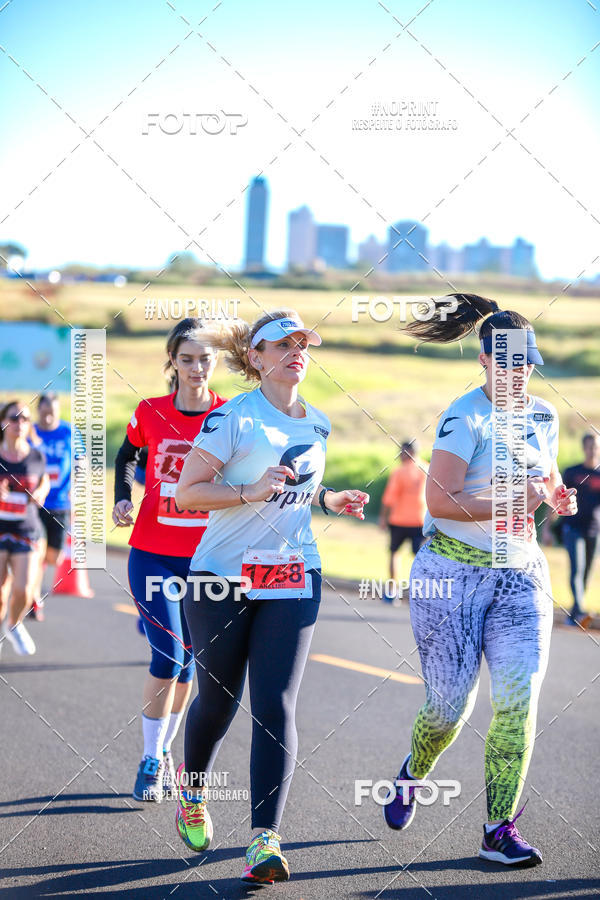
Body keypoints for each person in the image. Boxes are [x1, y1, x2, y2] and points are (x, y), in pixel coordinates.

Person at [381, 294, 577, 868]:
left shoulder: (544, 415)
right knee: (449, 708)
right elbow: (438, 502)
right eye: (510, 364)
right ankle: (413, 773)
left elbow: (546, 477)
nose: (521, 374)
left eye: (528, 363)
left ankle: (498, 829)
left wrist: (555, 496)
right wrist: (515, 499)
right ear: (486, 363)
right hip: (452, 573)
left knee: (517, 702)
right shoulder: (464, 416)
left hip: (520, 574)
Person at [173, 309, 369, 884]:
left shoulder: (319, 423)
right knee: (217, 700)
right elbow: (188, 494)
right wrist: (248, 490)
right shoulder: (233, 418)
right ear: (255, 358)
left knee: (275, 703)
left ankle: (264, 840)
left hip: (291, 572)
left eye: (302, 343)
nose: (295, 351)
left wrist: (328, 499)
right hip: (221, 577)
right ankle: (193, 790)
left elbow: (293, 489)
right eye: (281, 344)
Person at [111, 318, 227, 803]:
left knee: (189, 666)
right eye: (186, 359)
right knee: (170, 656)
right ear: (172, 363)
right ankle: (151, 759)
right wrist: (122, 496)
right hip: (154, 553)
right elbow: (126, 455)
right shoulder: (151, 411)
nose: (196, 368)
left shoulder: (230, 415)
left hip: (209, 559)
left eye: (204, 358)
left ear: (215, 362)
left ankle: (164, 749)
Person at [0, 401, 49, 656]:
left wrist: (41, 491)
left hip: (26, 529)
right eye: (14, 417)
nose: (20, 423)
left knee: (24, 588)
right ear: (3, 421)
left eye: (25, 418)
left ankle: (14, 624)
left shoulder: (36, 455)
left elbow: (44, 481)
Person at [29, 393, 74, 622]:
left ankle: (30, 583)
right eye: (44, 413)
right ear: (39, 412)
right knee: (35, 553)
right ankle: (33, 597)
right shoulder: (30, 433)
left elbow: (81, 462)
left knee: (53, 557)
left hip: (60, 504)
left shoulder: (68, 432)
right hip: (34, 504)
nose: (47, 418)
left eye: (52, 413)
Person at [378, 440, 427, 602]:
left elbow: (388, 498)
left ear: (410, 452)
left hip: (399, 520)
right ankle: (420, 594)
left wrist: (383, 518)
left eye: (402, 452)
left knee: (394, 554)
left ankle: (392, 592)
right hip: (421, 521)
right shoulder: (427, 469)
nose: (399, 455)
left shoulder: (399, 472)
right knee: (420, 559)